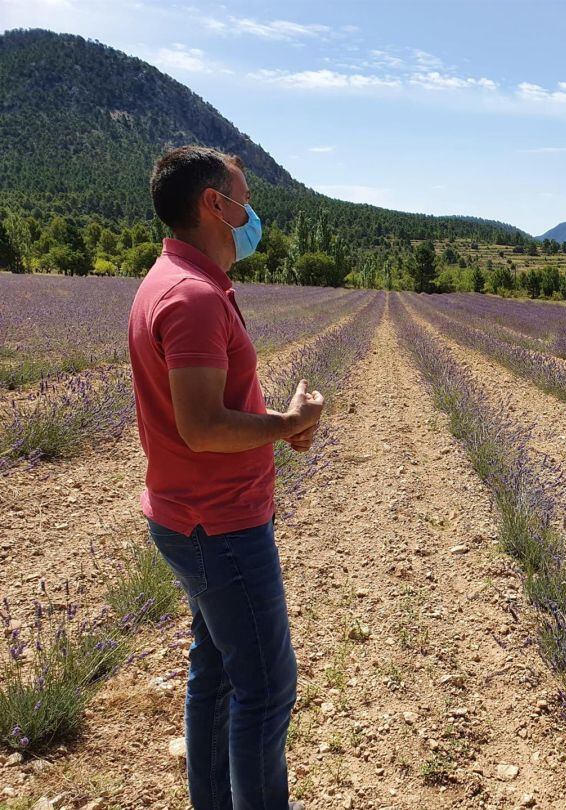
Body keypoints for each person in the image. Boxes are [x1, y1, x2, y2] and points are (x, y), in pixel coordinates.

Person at [129, 145, 323, 810]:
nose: (252, 211)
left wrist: (275, 426)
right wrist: (288, 423)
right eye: (245, 196)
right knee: (267, 689)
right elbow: (204, 426)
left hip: (188, 517)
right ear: (216, 205)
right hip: (220, 525)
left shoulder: (173, 281)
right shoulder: (193, 296)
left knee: (213, 675)